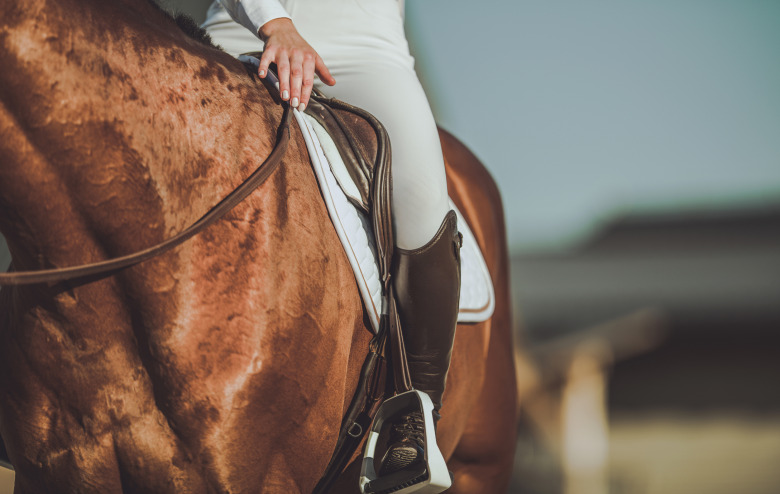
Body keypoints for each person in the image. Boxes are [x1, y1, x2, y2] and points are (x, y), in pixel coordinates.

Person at [202, 1, 461, 489]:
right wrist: (274, 22)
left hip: (360, 48)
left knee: (421, 201)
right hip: (239, 32)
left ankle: (413, 414)